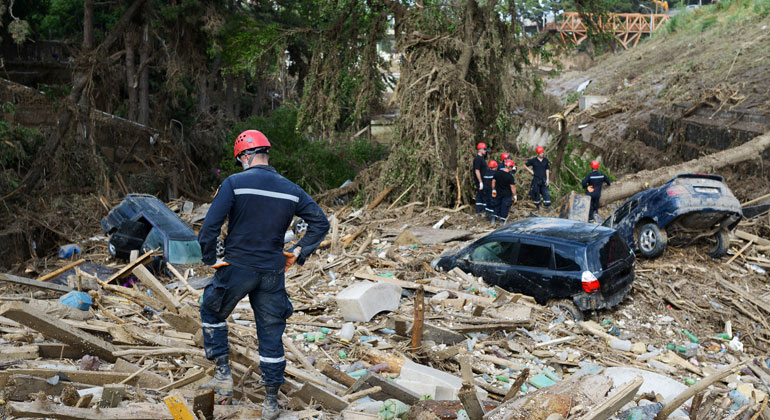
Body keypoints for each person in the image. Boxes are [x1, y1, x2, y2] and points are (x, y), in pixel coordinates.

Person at [197, 130, 330, 420]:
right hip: (273, 270)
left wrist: (211, 260)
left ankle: (222, 376)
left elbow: (208, 229)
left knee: (211, 311)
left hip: (237, 267)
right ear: (265, 153)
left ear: (245, 156)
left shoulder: (234, 183)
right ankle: (270, 402)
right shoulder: (291, 189)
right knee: (271, 333)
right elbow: (320, 222)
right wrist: (298, 251)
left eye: (240, 159)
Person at [525, 146, 551, 211]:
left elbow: (547, 169)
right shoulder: (533, 160)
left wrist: (547, 179)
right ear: (538, 154)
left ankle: (548, 206)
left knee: (546, 193)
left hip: (544, 179)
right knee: (536, 193)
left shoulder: (545, 160)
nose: (542, 154)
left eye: (542, 153)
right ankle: (538, 207)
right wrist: (531, 171)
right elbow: (525, 165)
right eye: (541, 153)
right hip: (536, 179)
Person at [492, 159, 518, 224]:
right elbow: (513, 187)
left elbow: (493, 182)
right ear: (509, 167)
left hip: (498, 193)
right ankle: (502, 221)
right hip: (507, 194)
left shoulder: (497, 173)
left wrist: (493, 189)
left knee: (497, 205)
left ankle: (494, 219)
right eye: (512, 167)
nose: (512, 169)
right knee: (505, 207)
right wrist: (515, 196)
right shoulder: (510, 177)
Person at [473, 142, 488, 215]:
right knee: (480, 195)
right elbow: (477, 170)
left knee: (483, 195)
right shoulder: (477, 159)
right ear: (480, 149)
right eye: (484, 149)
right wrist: (480, 182)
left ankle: (483, 210)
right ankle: (479, 211)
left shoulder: (482, 158)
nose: (485, 151)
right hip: (480, 180)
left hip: (484, 180)